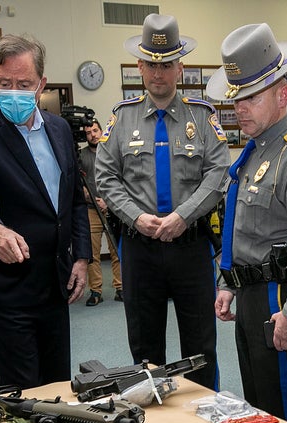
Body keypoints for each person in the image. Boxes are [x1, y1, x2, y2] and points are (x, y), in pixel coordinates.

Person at [207, 23, 287, 423]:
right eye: (236, 99)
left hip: (282, 297)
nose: (239, 108)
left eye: (251, 97)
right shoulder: (252, 154)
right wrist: (228, 281)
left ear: (282, 95)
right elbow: (243, 229)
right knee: (259, 409)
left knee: (286, 416)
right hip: (251, 296)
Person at [95, 14, 229, 389]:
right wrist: (136, 217)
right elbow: (105, 177)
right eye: (151, 64)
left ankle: (203, 416)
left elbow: (218, 175)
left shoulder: (202, 118)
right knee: (145, 349)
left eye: (166, 64)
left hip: (191, 246)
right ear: (139, 65)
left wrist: (184, 216)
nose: (158, 72)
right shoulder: (121, 119)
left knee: (200, 347)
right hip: (140, 249)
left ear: (179, 68)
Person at [0, 33, 90, 389]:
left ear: (41, 83)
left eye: (24, 84)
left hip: (53, 281)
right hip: (7, 286)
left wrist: (81, 257)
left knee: (58, 385)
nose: (14, 92)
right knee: (23, 391)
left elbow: (74, 200)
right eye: (5, 84)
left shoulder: (60, 130)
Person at [79, 119, 122, 306]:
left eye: (95, 130)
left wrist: (108, 201)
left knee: (117, 250)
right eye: (88, 133)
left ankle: (121, 288)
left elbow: (122, 178)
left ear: (102, 130)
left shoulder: (112, 152)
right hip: (90, 210)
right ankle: (95, 291)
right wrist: (88, 196)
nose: (93, 135)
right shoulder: (80, 156)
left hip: (114, 209)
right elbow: (75, 183)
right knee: (92, 253)